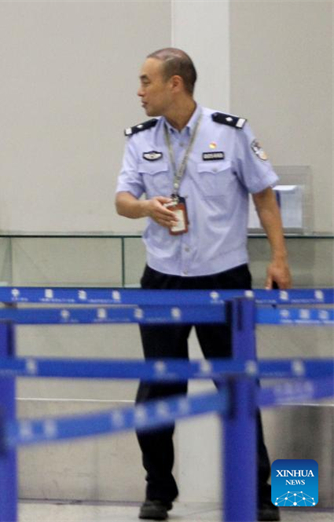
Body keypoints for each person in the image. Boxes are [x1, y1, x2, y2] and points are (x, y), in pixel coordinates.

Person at [115, 48, 290, 522]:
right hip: (162, 281)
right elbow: (122, 199)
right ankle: (158, 490)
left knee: (236, 385)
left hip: (224, 279)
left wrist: (278, 257)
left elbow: (264, 194)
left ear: (176, 84)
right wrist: (145, 207)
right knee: (158, 388)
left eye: (146, 81)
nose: (139, 91)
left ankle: (258, 492)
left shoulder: (230, 133)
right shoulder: (139, 139)